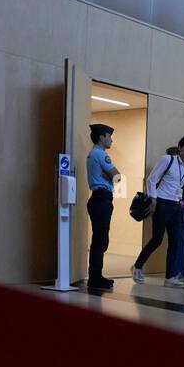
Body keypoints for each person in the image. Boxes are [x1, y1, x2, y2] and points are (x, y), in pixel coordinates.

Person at [132, 136, 184, 288]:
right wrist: (153, 199)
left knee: (175, 242)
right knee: (157, 240)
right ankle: (137, 266)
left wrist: (179, 200)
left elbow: (179, 186)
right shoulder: (168, 160)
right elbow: (151, 179)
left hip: (175, 206)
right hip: (161, 203)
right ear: (180, 148)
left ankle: (170, 277)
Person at [86, 123, 120, 292]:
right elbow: (117, 176)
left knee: (99, 239)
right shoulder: (100, 154)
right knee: (100, 240)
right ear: (101, 137)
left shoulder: (93, 153)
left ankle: (96, 275)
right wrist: (111, 175)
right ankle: (95, 277)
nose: (111, 140)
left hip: (97, 199)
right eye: (109, 136)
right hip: (102, 199)